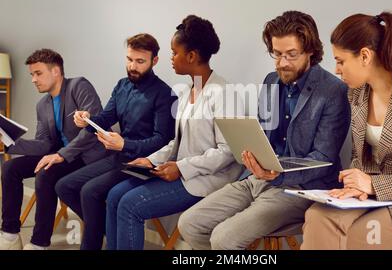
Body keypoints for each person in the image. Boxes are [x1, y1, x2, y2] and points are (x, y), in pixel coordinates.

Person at [178, 11, 351, 250]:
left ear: (310, 51)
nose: (282, 63)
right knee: (189, 223)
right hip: (257, 179)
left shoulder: (333, 91)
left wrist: (279, 175)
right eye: (277, 54)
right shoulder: (271, 81)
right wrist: (251, 156)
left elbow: (323, 159)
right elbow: (261, 134)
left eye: (291, 55)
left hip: (300, 190)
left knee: (223, 238)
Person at [301, 12, 392, 250]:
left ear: (365, 56)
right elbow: (360, 159)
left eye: (340, 61)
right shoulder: (357, 93)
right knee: (316, 217)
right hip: (372, 200)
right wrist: (354, 185)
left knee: (352, 239)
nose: (336, 70)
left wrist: (373, 185)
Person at [105, 15, 244, 250]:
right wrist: (150, 159)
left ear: (191, 56)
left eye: (174, 52)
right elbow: (177, 141)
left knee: (130, 205)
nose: (171, 58)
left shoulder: (223, 93)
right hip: (183, 172)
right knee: (115, 195)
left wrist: (181, 167)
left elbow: (228, 152)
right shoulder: (191, 89)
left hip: (208, 181)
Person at [55, 33, 176, 250]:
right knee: (64, 186)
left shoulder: (164, 93)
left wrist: (125, 145)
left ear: (154, 61)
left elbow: (162, 141)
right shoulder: (122, 86)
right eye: (129, 59)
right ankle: (103, 227)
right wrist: (87, 120)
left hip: (143, 162)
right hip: (119, 157)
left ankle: (92, 243)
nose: (133, 66)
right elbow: (106, 118)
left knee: (89, 191)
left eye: (140, 61)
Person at [0, 49, 107, 250]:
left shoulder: (79, 86)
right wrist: (10, 141)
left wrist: (60, 155)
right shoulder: (43, 105)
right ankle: (10, 234)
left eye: (38, 73)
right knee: (9, 168)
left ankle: (39, 242)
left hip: (88, 157)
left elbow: (92, 129)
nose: (33, 79)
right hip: (62, 155)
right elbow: (44, 143)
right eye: (32, 74)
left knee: (45, 173)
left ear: (56, 71)